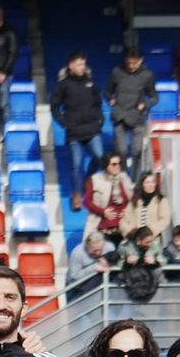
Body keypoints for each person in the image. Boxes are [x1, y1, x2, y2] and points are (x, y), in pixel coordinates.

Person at [51, 53, 105, 211]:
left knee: (100, 158)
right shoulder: (63, 85)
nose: (82, 67)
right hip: (74, 132)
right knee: (76, 164)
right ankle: (77, 195)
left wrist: (100, 120)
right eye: (79, 64)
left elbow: (98, 103)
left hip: (92, 129)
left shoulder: (91, 83)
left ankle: (88, 179)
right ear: (71, 66)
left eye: (84, 64)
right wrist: (64, 123)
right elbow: (55, 106)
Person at [107, 48, 156, 172]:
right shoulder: (117, 72)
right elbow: (107, 92)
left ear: (141, 61)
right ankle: (123, 178)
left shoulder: (147, 75)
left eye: (134, 63)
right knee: (121, 151)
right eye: (128, 63)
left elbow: (154, 97)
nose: (131, 66)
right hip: (120, 116)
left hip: (137, 117)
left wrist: (145, 104)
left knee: (137, 152)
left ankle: (137, 180)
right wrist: (110, 99)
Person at [85, 151, 133, 242]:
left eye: (119, 163)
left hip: (125, 225)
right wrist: (103, 212)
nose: (117, 166)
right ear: (106, 166)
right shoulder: (96, 179)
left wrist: (128, 210)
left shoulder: (125, 177)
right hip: (105, 226)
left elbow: (133, 198)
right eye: (114, 164)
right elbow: (87, 201)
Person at [118, 226, 162, 303]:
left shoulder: (155, 246)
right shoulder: (125, 247)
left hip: (150, 281)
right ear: (138, 240)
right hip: (132, 281)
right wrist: (126, 261)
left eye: (151, 241)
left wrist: (154, 261)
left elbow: (164, 260)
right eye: (147, 242)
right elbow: (117, 263)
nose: (149, 244)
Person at [125, 172, 171, 244]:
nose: (151, 185)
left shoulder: (161, 200)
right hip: (135, 239)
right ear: (142, 184)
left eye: (153, 182)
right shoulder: (134, 201)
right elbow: (124, 220)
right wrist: (131, 231)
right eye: (147, 182)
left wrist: (149, 232)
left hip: (153, 239)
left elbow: (164, 220)